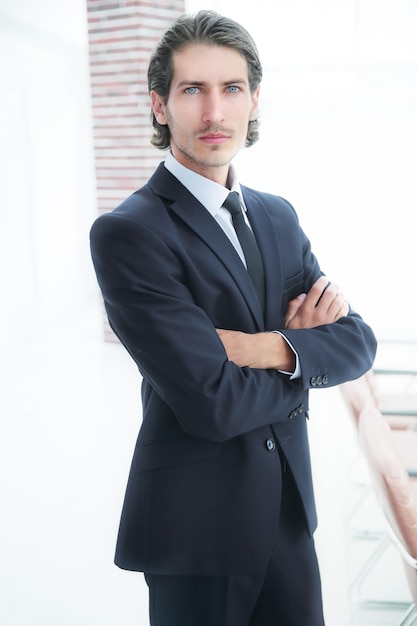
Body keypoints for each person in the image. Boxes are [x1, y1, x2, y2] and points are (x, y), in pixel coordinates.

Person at [90, 9, 377, 626]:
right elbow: (211, 404)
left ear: (253, 101)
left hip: (288, 517)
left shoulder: (277, 216)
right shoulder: (128, 233)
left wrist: (264, 348)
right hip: (197, 528)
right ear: (160, 106)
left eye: (231, 88)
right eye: (192, 89)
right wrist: (301, 349)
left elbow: (357, 342)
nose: (214, 112)